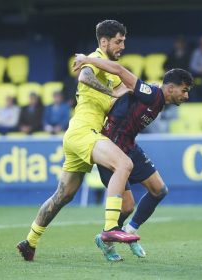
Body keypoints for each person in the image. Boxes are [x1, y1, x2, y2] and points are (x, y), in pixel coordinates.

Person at [17, 20, 140, 262]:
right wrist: (112, 92)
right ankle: (109, 230)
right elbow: (83, 76)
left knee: (62, 196)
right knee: (124, 164)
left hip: (76, 136)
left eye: (123, 41)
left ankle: (29, 241)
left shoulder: (109, 70)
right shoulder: (92, 59)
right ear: (104, 42)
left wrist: (144, 91)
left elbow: (125, 88)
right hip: (84, 133)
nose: (122, 45)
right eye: (118, 41)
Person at [73, 54, 193, 261]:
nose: (186, 96)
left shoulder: (157, 99)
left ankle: (129, 230)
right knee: (127, 206)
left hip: (128, 144)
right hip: (110, 146)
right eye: (184, 90)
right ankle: (106, 239)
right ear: (171, 88)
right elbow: (119, 71)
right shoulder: (153, 94)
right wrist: (87, 59)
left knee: (159, 190)